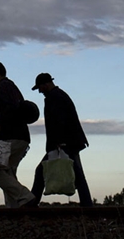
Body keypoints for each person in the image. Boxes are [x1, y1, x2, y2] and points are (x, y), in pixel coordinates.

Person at [25, 73, 93, 207]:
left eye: (40, 87)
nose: (40, 91)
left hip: (64, 143)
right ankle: (87, 205)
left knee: (41, 171)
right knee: (77, 174)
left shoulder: (54, 97)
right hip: (69, 142)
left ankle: (31, 205)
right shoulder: (59, 95)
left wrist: (59, 143)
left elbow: (59, 122)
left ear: (46, 84)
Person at [0, 61, 35, 208]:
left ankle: (25, 196)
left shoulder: (4, 86)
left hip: (12, 136)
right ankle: (13, 208)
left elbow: (11, 107)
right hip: (20, 137)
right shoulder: (9, 87)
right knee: (8, 172)